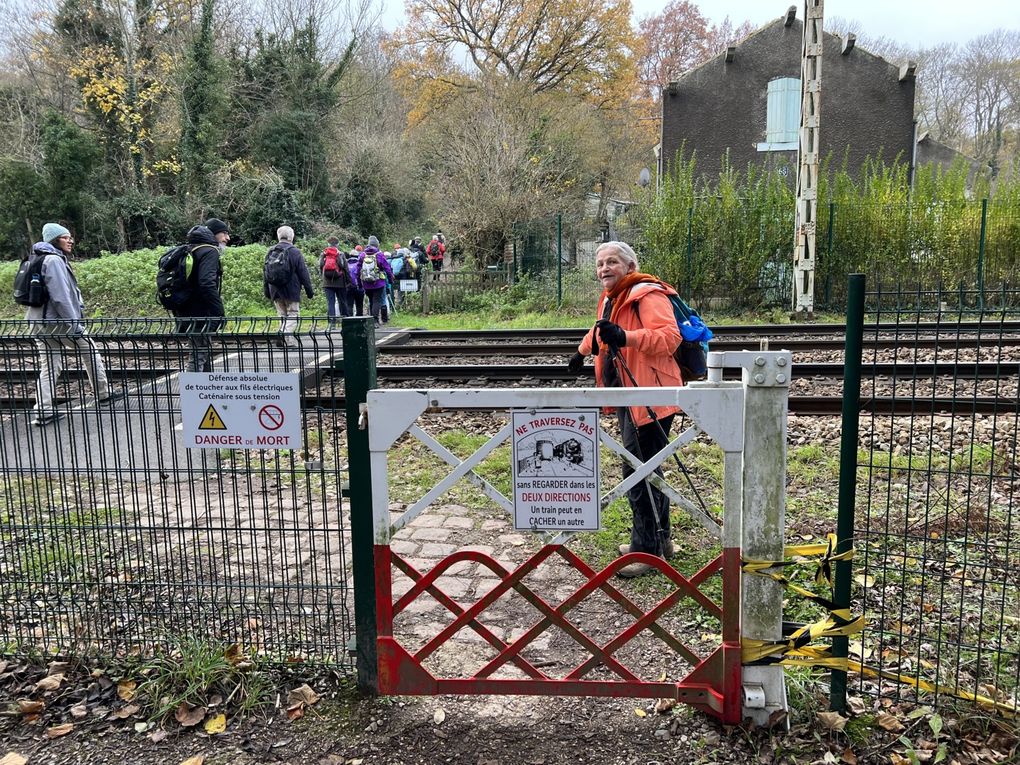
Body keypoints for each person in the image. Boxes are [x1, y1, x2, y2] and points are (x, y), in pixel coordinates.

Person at [568, 241, 683, 578]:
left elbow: (668, 338)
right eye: (601, 263)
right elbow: (603, 330)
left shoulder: (647, 294)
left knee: (637, 472)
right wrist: (581, 351)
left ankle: (645, 552)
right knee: (647, 468)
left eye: (613, 262)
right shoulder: (612, 297)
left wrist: (627, 338)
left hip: (650, 396)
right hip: (627, 395)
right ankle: (661, 543)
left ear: (630, 266)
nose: (604, 268)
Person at [25, 223, 119, 426]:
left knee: (50, 365)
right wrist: (74, 324)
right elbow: (61, 298)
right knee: (89, 348)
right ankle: (103, 393)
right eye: (65, 237)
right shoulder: (53, 260)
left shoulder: (36, 257)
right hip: (57, 322)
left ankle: (43, 409)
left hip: (38, 322)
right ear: (55, 240)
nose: (70, 241)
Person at [173, 219, 228, 373]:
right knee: (198, 354)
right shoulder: (210, 251)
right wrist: (219, 310)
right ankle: (192, 393)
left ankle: (207, 390)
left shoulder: (192, 248)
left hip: (184, 308)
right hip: (200, 310)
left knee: (201, 350)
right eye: (224, 233)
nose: (227, 238)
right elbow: (206, 283)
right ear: (214, 234)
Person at [263, 225, 313, 348]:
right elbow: (303, 272)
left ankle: (288, 341)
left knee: (282, 315)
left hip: (274, 289)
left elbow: (265, 272)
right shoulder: (295, 251)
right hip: (291, 289)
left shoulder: (271, 250)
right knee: (293, 314)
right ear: (292, 237)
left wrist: (267, 291)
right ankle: (285, 334)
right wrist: (309, 290)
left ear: (278, 236)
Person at [357, 235, 394, 328]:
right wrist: (390, 280)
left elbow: (357, 270)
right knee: (377, 300)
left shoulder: (362, 255)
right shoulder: (379, 255)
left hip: (366, 283)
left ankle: (371, 321)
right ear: (377, 245)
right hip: (378, 282)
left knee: (371, 300)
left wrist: (359, 283)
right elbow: (387, 268)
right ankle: (375, 320)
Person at [319, 236, 352, 329]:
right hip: (340, 282)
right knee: (343, 301)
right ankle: (346, 322)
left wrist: (323, 278)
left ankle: (331, 324)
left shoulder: (324, 253)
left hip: (327, 283)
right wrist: (349, 281)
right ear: (337, 244)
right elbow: (345, 268)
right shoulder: (340, 254)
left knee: (330, 303)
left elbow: (321, 266)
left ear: (328, 244)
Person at [347, 246, 365, 317]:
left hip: (348, 287)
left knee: (349, 304)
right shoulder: (360, 264)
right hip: (359, 287)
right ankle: (360, 321)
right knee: (359, 305)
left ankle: (350, 320)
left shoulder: (346, 264)